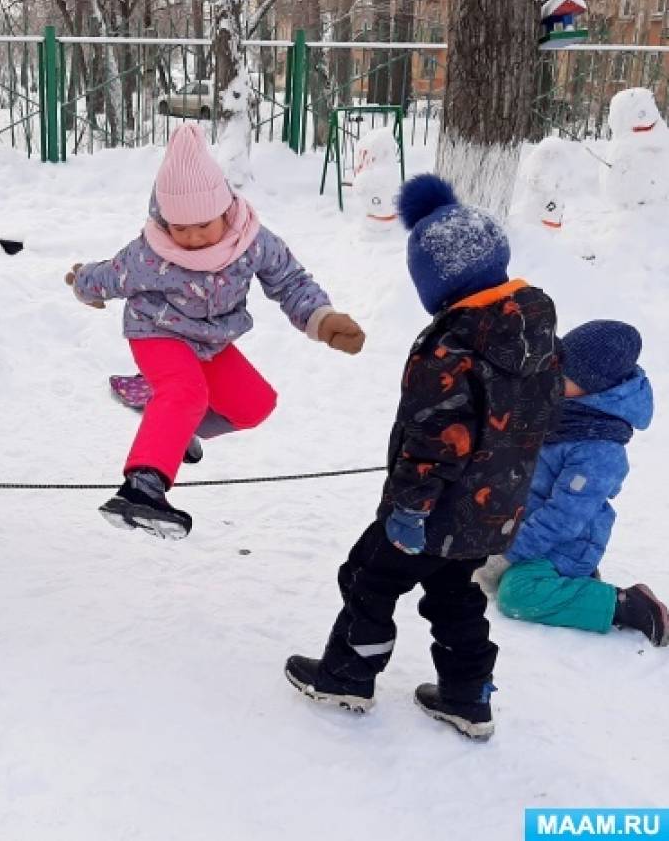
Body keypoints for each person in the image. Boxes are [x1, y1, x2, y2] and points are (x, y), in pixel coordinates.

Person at [284, 175, 563, 741]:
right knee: (454, 593)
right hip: (494, 510)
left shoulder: (452, 346)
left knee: (369, 575)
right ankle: (467, 697)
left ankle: (347, 674)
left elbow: (436, 441)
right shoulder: (534, 331)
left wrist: (410, 509)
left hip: (432, 510)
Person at [67, 124, 365, 539]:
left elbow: (290, 282)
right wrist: (83, 283)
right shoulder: (149, 253)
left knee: (255, 405)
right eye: (179, 227)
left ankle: (166, 418)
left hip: (210, 339)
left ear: (225, 208)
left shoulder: (253, 241)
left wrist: (323, 320)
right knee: (184, 391)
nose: (190, 237)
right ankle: (143, 488)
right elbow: (110, 276)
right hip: (157, 332)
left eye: (203, 224)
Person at [491, 320, 667, 646]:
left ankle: (629, 606)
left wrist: (509, 556)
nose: (554, 379)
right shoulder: (567, 411)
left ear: (594, 386)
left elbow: (564, 519)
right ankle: (570, 585)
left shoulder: (599, 450)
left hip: (565, 543)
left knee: (516, 595)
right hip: (527, 526)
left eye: (565, 376)